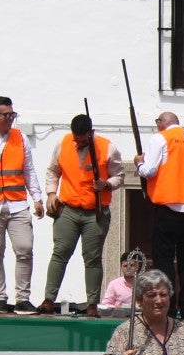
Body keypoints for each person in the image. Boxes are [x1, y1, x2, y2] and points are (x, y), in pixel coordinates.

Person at [40, 114, 124, 317]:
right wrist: (51, 193)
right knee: (60, 252)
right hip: (68, 209)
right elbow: (53, 171)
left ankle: (92, 304)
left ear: (90, 133)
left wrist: (105, 184)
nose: (78, 143)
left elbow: (120, 176)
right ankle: (48, 300)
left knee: (92, 258)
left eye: (82, 140)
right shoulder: (63, 143)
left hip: (95, 211)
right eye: (75, 139)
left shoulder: (108, 147)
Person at [135, 112, 184, 319]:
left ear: (161, 123)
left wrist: (138, 163)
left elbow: (149, 170)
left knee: (164, 259)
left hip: (169, 206)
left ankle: (168, 307)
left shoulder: (160, 138)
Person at [0, 95, 44, 315]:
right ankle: (0, 297)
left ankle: (22, 299)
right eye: (6, 115)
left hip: (17, 204)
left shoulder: (20, 138)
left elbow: (29, 170)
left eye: (12, 114)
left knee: (25, 249)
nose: (10, 118)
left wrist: (37, 198)